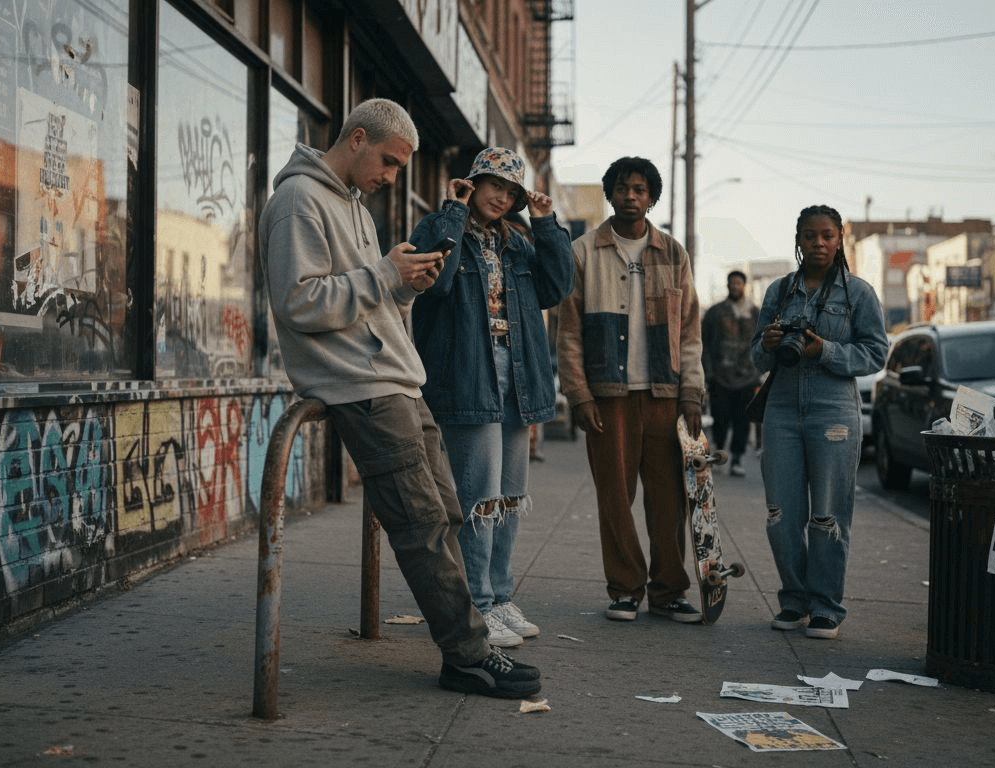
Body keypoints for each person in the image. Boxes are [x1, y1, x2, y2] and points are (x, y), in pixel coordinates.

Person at [259, 98, 540, 697]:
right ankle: (468, 657)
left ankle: (471, 645)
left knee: (449, 515)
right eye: (388, 162)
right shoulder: (298, 201)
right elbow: (299, 302)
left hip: (398, 377)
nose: (391, 177)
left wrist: (405, 286)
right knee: (421, 525)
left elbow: (366, 296)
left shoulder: (355, 205)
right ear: (356, 138)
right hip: (356, 385)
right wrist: (386, 276)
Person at [410, 147, 574, 648]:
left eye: (511, 192)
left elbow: (557, 286)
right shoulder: (437, 225)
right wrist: (454, 212)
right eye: (493, 186)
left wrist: (546, 223)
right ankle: (475, 604)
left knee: (506, 497)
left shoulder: (519, 244)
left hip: (516, 377)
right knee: (477, 498)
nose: (501, 197)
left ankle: (500, 596)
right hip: (466, 376)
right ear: (473, 183)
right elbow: (434, 287)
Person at [556, 156, 706, 624]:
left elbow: (691, 332)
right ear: (610, 193)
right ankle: (624, 589)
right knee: (615, 498)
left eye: (640, 189)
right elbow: (569, 331)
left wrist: (692, 393)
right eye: (622, 188)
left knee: (669, 500)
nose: (630, 197)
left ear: (652, 197)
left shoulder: (673, 253)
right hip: (609, 395)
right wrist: (578, 395)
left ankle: (668, 591)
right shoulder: (584, 251)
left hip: (663, 395)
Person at [750, 204, 888, 640]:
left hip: (834, 411)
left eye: (827, 235)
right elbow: (755, 356)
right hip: (782, 410)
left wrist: (824, 350)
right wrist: (770, 343)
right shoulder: (778, 291)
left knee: (828, 514)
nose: (819, 243)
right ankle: (794, 601)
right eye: (810, 236)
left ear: (840, 237)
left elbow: (876, 354)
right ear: (798, 239)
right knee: (781, 514)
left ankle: (826, 606)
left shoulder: (859, 294)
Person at [701, 269, 760, 476]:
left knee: (742, 420)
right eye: (732, 283)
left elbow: (763, 343)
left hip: (747, 377)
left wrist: (760, 372)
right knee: (720, 418)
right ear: (727, 286)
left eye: (739, 283)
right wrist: (708, 373)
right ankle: (719, 455)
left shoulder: (755, 313)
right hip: (720, 377)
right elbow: (704, 343)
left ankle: (737, 460)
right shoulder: (715, 312)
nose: (736, 287)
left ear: (744, 286)